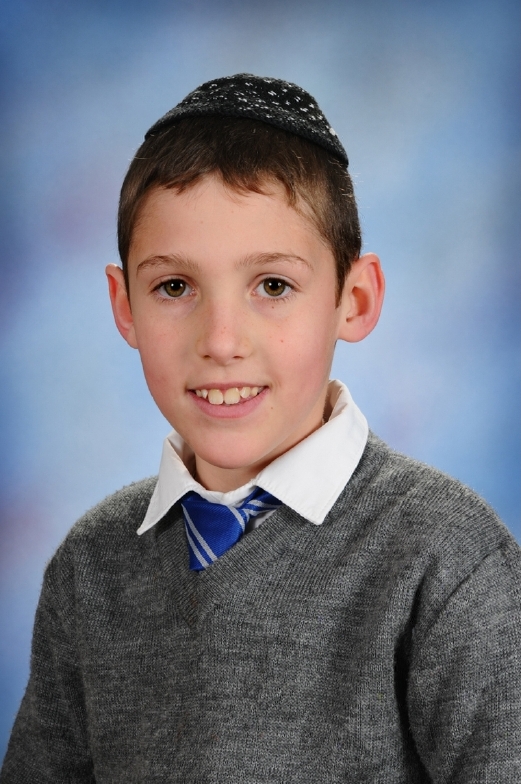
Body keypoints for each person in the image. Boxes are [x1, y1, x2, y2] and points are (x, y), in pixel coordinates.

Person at [1, 74, 520, 783]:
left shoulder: (446, 558)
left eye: (273, 286)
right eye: (174, 287)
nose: (221, 341)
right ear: (124, 307)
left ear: (354, 299)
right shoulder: (89, 568)